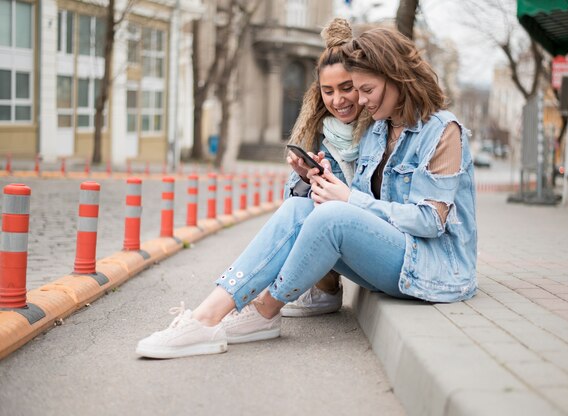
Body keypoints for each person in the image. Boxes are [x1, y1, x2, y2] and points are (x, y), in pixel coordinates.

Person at [136, 26, 477, 359]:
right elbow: (359, 205)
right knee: (301, 207)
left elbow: (431, 220)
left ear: (396, 76)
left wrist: (347, 199)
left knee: (332, 215)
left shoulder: (444, 131)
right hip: (394, 257)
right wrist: (321, 181)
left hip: (435, 271)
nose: (359, 100)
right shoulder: (378, 131)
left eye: (366, 89)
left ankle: (265, 310)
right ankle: (206, 316)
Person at [281, 18, 370, 318]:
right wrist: (305, 179)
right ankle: (323, 286)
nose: (338, 100)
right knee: (298, 194)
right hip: (333, 230)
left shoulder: (380, 129)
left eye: (347, 88)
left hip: (368, 230)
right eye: (328, 91)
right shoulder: (317, 132)